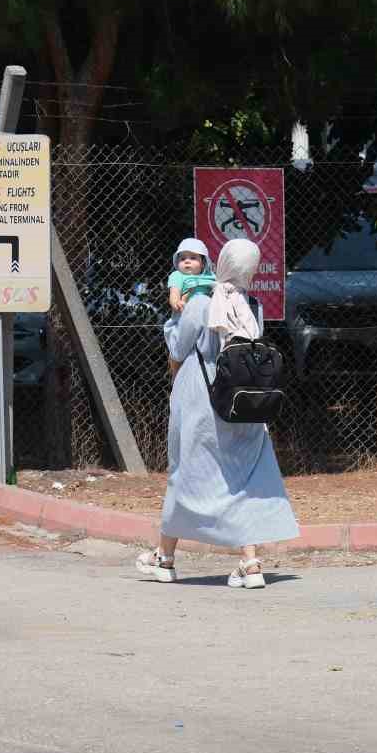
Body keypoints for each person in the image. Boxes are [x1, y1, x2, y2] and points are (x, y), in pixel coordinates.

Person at [137, 238, 299, 589]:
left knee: (186, 474)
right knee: (243, 479)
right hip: (243, 404)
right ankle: (251, 563)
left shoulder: (199, 302)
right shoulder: (254, 305)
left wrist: (172, 322)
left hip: (201, 400)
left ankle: (164, 559)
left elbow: (179, 347)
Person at [165, 238, 213, 378]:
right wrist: (177, 303)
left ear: (203, 262)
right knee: (183, 356)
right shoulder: (177, 276)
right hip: (185, 319)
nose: (187, 261)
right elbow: (174, 294)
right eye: (183, 258)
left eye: (193, 258)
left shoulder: (210, 277)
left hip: (207, 323)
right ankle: (178, 376)